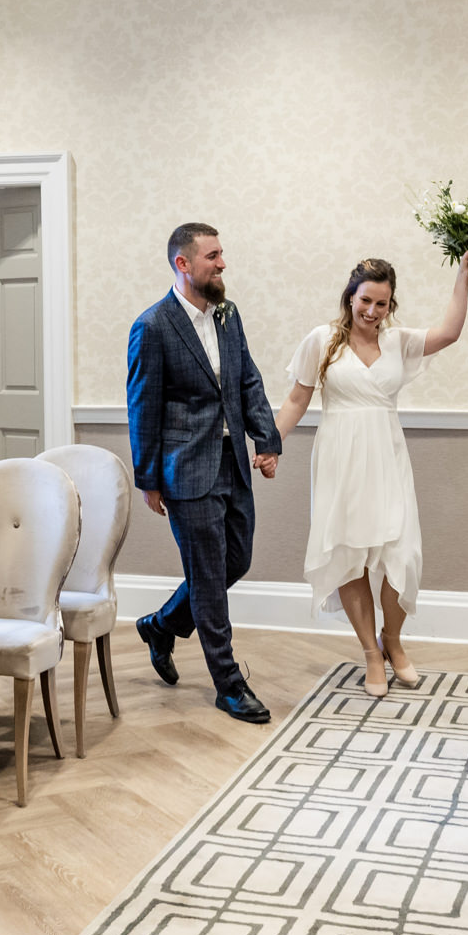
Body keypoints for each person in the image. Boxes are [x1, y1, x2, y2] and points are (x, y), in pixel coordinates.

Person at [272, 253, 468, 698]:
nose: (372, 311)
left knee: (401, 555)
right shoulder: (321, 340)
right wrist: (271, 443)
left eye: (382, 304)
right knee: (348, 555)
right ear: (350, 297)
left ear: (391, 305)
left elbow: (450, 332)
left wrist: (463, 275)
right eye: (365, 300)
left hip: (387, 457)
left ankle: (393, 639)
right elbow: (296, 399)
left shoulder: (398, 342)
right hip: (339, 460)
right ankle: (371, 653)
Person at [127, 223, 283, 725]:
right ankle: (229, 684)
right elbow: (142, 406)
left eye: (221, 254)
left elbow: (247, 378)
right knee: (210, 580)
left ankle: (161, 624)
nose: (222, 263)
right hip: (185, 470)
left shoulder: (229, 316)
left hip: (232, 461)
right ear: (183, 263)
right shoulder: (152, 326)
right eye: (213, 255)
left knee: (234, 560)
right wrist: (149, 479)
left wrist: (267, 439)